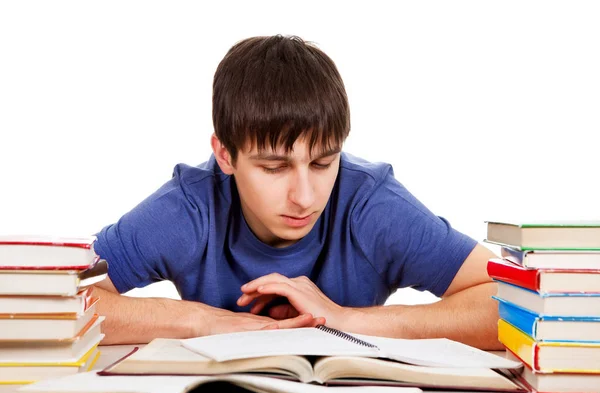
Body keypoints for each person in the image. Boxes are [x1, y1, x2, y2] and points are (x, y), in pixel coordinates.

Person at [92, 35, 501, 349]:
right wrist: (201, 321)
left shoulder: (371, 204)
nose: (305, 197)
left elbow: (513, 301)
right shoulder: (189, 208)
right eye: (274, 167)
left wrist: (344, 319)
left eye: (323, 163)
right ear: (225, 155)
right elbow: (54, 299)